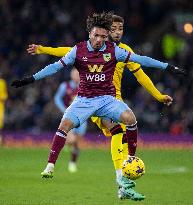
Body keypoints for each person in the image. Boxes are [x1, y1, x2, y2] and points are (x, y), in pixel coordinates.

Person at [12, 11, 183, 201]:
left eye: (117, 30)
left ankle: (127, 167)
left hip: (109, 100)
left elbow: (141, 65)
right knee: (100, 130)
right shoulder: (80, 49)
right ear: (94, 33)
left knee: (127, 126)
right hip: (86, 101)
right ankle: (57, 166)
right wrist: (35, 69)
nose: (106, 37)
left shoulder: (118, 50)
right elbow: (60, 59)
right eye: (106, 32)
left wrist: (166, 74)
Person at [54, 68, 87, 173]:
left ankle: (72, 162)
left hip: (82, 118)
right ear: (71, 75)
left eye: (78, 74)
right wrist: (64, 110)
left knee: (76, 143)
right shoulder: (65, 86)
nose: (76, 76)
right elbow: (57, 98)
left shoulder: (86, 86)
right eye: (74, 74)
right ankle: (67, 143)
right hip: (69, 117)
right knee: (71, 139)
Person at [0, 73, 8, 146]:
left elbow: (4, 97)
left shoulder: (2, 83)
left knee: (0, 125)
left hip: (0, 107)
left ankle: (1, 140)